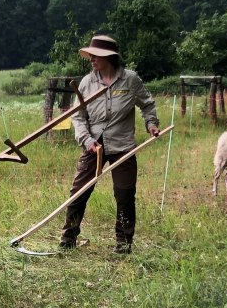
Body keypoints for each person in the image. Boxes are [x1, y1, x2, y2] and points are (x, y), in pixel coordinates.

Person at [63, 34, 159, 254]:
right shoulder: (87, 82)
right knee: (79, 192)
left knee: (124, 195)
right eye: (91, 56)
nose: (91, 60)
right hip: (94, 145)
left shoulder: (131, 80)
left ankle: (123, 244)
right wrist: (87, 140)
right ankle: (68, 239)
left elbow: (147, 104)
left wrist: (151, 124)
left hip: (123, 145)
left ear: (109, 57)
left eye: (95, 56)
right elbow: (78, 116)